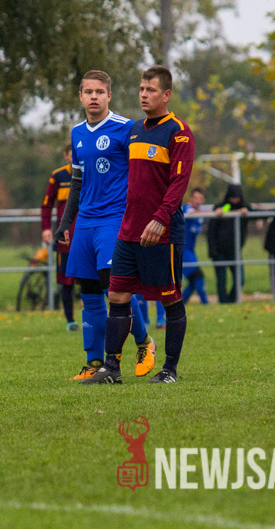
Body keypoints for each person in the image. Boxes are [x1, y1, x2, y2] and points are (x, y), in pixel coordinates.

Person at [82, 65, 194, 385]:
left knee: (170, 298)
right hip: (129, 230)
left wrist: (160, 218)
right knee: (117, 295)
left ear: (166, 95)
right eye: (142, 89)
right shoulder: (133, 130)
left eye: (151, 90)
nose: (144, 95)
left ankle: (169, 370)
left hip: (163, 233)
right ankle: (111, 368)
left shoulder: (179, 132)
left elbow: (178, 183)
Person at [54, 70, 154, 382]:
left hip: (114, 218)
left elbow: (140, 173)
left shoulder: (126, 127)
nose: (94, 97)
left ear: (109, 95)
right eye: (88, 92)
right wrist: (66, 222)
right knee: (89, 294)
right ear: (80, 97)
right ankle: (93, 362)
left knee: (115, 289)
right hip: (85, 221)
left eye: (99, 91)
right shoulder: (77, 133)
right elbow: (77, 180)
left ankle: (144, 342)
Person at [41, 144, 78, 331]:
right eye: (72, 154)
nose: (75, 157)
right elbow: (46, 205)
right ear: (65, 156)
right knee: (65, 281)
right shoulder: (58, 176)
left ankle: (95, 318)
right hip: (65, 238)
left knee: (92, 279)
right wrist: (46, 228)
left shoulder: (90, 172)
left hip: (85, 235)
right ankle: (70, 321)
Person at [206, 184, 251, 304]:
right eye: (233, 198)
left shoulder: (244, 207)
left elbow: (250, 210)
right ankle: (223, 301)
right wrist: (213, 250)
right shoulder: (224, 207)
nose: (235, 200)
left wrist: (244, 211)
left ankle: (232, 300)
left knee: (240, 278)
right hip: (219, 250)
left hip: (234, 250)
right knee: (222, 279)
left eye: (237, 198)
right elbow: (225, 209)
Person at [181, 187, 209, 304]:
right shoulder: (186, 208)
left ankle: (181, 303)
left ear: (203, 200)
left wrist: (225, 209)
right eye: (195, 198)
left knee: (193, 280)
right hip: (183, 250)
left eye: (200, 198)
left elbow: (217, 210)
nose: (197, 201)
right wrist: (212, 213)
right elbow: (192, 213)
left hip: (191, 250)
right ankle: (205, 303)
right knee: (198, 275)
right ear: (191, 198)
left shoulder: (202, 210)